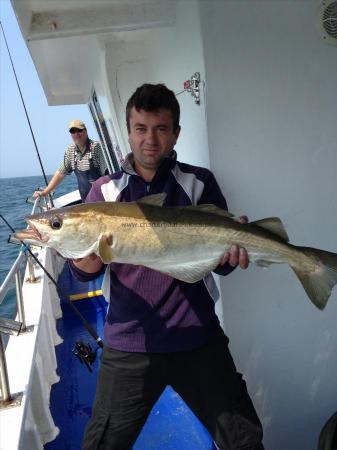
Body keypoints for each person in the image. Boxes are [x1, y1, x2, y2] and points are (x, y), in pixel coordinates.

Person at [71, 84, 264, 450]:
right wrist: (85, 263)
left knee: (245, 441)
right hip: (129, 342)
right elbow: (84, 271)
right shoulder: (104, 193)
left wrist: (231, 257)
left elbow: (219, 266)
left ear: (175, 133)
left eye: (161, 129)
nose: (150, 140)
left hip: (197, 337)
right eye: (141, 128)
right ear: (127, 131)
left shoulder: (197, 183)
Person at [33, 120, 108, 201]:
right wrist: (45, 192)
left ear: (86, 131)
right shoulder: (71, 150)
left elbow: (107, 174)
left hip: (104, 199)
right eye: (73, 131)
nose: (76, 134)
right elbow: (61, 173)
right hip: (87, 201)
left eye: (79, 130)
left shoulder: (96, 147)